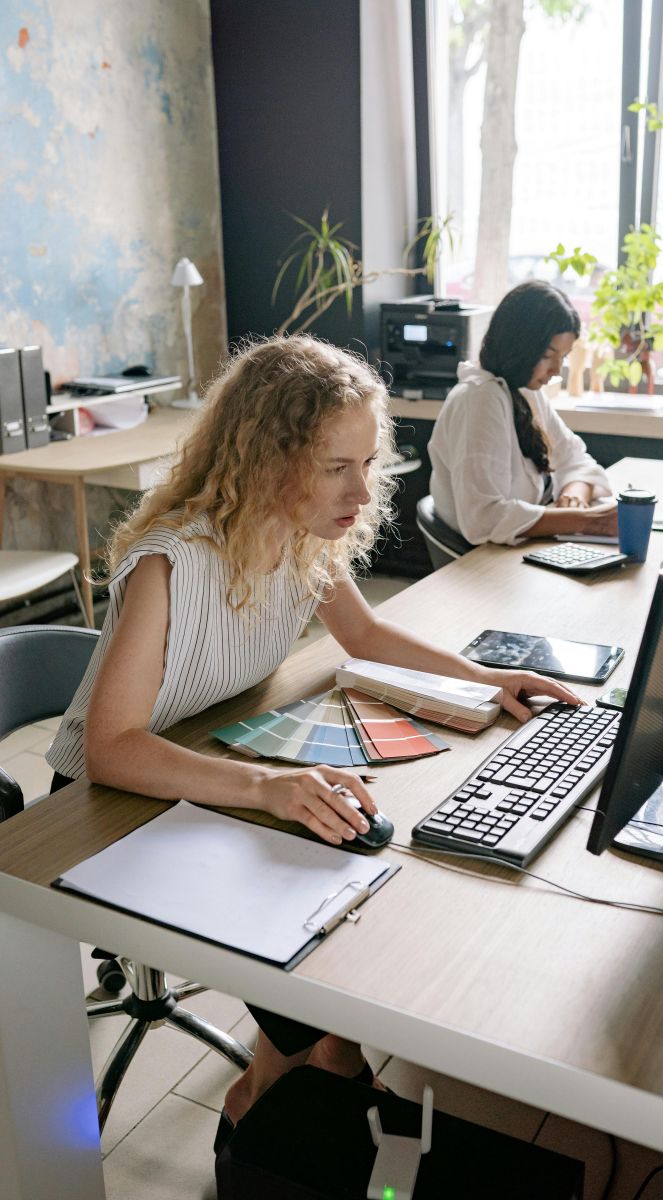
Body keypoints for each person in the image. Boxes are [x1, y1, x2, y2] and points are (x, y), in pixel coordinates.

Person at [46, 334, 581, 1134]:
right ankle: (275, 1089)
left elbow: (365, 638)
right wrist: (268, 785)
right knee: (305, 872)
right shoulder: (170, 562)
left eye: (367, 465)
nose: (363, 493)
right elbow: (111, 747)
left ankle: (319, 1063)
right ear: (267, 459)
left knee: (355, 848)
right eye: (339, 467)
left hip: (209, 757)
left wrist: (486, 679)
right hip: (111, 798)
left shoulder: (299, 538)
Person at [428, 280, 617, 546]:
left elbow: (575, 458)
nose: (556, 370)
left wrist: (575, 494)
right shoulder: (480, 400)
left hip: (519, 549)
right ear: (519, 344)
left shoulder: (525, 390)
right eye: (548, 356)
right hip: (483, 565)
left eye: (563, 357)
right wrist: (586, 521)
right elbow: (484, 517)